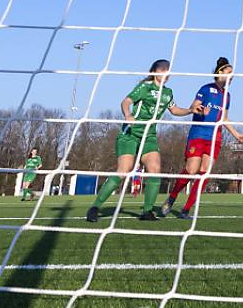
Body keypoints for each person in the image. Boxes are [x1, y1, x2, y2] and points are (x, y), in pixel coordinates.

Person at [87, 59, 203, 222]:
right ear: (156, 72)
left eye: (168, 71)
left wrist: (190, 110)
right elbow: (126, 101)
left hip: (149, 137)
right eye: (163, 70)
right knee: (123, 171)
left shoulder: (168, 93)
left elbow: (174, 109)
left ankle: (147, 212)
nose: (166, 74)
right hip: (130, 135)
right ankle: (94, 207)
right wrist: (128, 114)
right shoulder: (145, 87)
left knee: (155, 169)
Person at [161, 57, 243, 219]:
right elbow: (194, 106)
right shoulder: (206, 89)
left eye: (233, 74)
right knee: (191, 170)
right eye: (229, 73)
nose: (232, 76)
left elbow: (224, 118)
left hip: (215, 137)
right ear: (219, 73)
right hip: (199, 133)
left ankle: (186, 210)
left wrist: (236, 134)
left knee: (204, 173)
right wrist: (199, 110)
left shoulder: (227, 96)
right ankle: (172, 197)